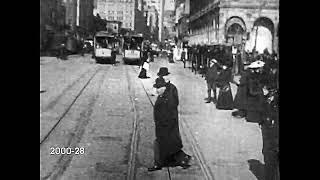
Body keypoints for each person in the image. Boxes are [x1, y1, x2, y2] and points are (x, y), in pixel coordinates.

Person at [148, 67, 191, 171]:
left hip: (167, 124)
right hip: (164, 124)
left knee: (163, 144)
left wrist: (165, 122)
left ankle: (159, 164)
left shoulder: (170, 91)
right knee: (170, 144)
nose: (157, 90)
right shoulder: (165, 92)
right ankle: (182, 159)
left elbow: (172, 107)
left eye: (159, 88)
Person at [245, 60, 266, 125]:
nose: (260, 70)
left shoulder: (256, 75)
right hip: (253, 97)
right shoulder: (251, 78)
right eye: (259, 69)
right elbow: (251, 91)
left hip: (255, 94)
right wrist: (260, 92)